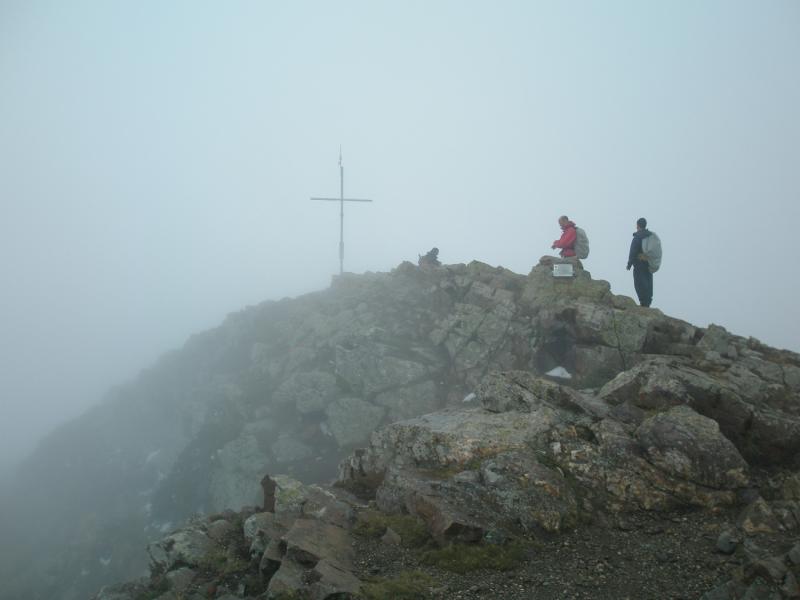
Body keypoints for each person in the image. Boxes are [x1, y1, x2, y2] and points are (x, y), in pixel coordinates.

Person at [627, 217, 654, 307]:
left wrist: (629, 263)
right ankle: (648, 301)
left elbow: (633, 250)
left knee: (639, 283)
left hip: (639, 264)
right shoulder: (650, 236)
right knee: (648, 281)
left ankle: (643, 303)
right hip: (649, 263)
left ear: (638, 225)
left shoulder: (638, 236)